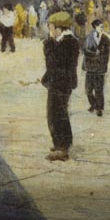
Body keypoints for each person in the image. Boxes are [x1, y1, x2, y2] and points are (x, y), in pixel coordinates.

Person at [41, 11, 79, 162]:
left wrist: (49, 44)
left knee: (55, 113)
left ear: (58, 28)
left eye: (50, 27)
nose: (49, 31)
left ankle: (61, 148)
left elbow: (53, 63)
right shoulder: (67, 41)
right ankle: (63, 143)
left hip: (60, 83)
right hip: (60, 82)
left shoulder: (66, 43)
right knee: (59, 112)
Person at [82, 19, 110, 117]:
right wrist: (94, 54)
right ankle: (94, 104)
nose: (102, 28)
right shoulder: (89, 38)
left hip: (100, 68)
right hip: (90, 67)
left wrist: (103, 63)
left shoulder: (105, 39)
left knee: (99, 90)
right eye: (100, 27)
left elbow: (107, 54)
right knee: (88, 90)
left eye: (102, 27)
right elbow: (85, 50)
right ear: (95, 27)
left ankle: (99, 108)